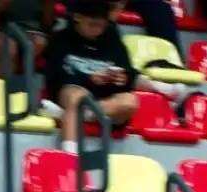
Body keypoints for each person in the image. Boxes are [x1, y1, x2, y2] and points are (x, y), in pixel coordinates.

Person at [42, 0, 138, 154]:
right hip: (72, 89)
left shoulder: (113, 39)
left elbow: (129, 72)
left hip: (104, 96)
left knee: (131, 101)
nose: (97, 30)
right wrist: (89, 80)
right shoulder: (60, 39)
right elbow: (55, 77)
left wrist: (123, 79)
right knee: (78, 97)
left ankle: (77, 114)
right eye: (92, 24)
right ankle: (70, 154)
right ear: (78, 17)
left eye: (101, 25)